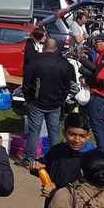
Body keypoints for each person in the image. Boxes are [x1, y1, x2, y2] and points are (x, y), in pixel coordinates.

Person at [21, 38, 75, 167]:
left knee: (35, 131)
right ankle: (56, 159)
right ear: (56, 49)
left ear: (43, 47)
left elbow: (26, 83)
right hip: (55, 102)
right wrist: (61, 99)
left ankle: (29, 159)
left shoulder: (34, 62)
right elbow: (67, 85)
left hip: (37, 101)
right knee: (54, 131)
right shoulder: (64, 64)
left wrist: (28, 98)